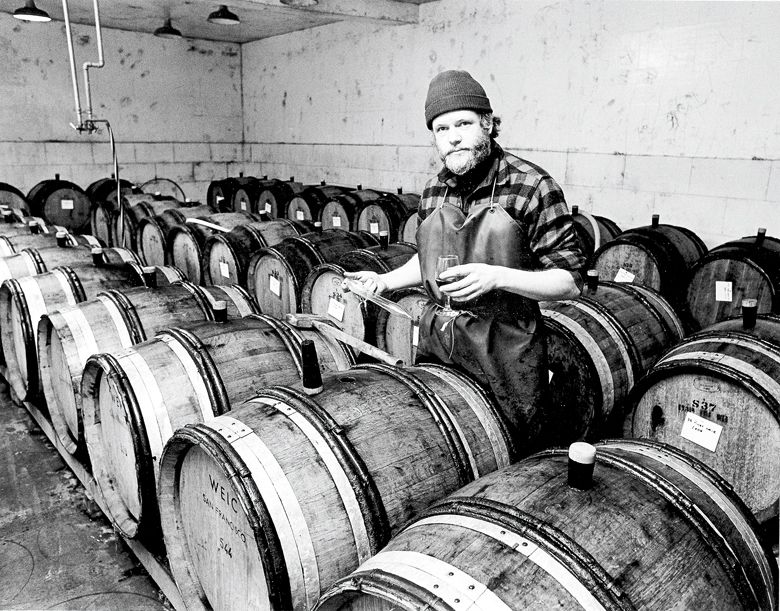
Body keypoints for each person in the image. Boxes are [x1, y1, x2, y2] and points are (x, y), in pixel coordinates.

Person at [345, 69, 586, 454]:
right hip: (438, 343)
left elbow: (568, 281)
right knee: (443, 449)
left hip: (506, 353)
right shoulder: (433, 190)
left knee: (509, 453)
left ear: (488, 124)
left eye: (464, 123)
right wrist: (384, 281)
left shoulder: (532, 186)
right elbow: (426, 263)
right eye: (441, 129)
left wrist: (496, 277)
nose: (453, 136)